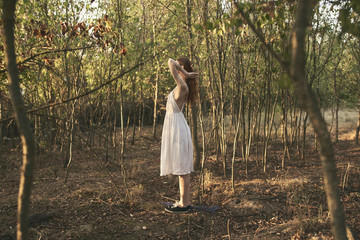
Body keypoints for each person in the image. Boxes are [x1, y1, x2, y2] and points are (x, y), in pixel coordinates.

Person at [160, 57, 199, 213]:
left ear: (183, 68)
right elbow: (172, 63)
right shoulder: (181, 84)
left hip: (177, 129)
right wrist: (185, 72)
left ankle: (185, 204)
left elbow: (169, 61)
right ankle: (184, 201)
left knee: (182, 168)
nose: (176, 69)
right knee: (181, 167)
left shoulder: (183, 85)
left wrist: (185, 73)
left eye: (180, 66)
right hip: (174, 127)